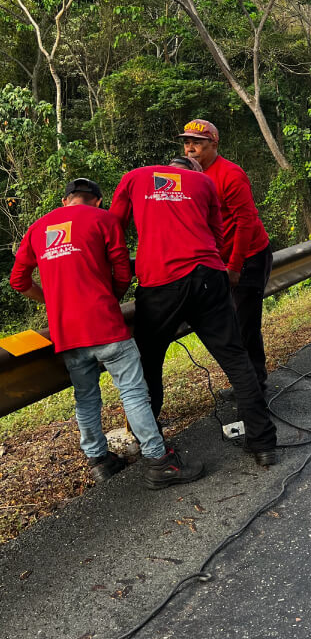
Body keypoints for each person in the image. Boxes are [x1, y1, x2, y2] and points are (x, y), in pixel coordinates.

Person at [9, 178, 205, 489]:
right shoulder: (104, 220)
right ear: (98, 201)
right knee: (133, 392)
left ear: (66, 200)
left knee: (85, 398)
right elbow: (123, 272)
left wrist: (52, 299)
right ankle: (159, 461)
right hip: (105, 325)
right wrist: (109, 298)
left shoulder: (37, 229)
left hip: (66, 332)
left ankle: (99, 461)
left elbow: (18, 281)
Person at [109, 158, 278, 466]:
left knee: (148, 363)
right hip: (208, 278)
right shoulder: (205, 183)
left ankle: (152, 445)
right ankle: (263, 443)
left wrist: (120, 276)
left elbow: (112, 228)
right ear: (193, 172)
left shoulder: (135, 177)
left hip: (160, 283)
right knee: (236, 359)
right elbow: (217, 235)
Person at [179, 119, 272, 394]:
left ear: (213, 143)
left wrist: (235, 266)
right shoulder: (187, 177)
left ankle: (255, 384)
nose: (191, 148)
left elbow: (247, 222)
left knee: (244, 323)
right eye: (187, 142)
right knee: (230, 323)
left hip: (248, 257)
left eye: (198, 142)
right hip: (217, 260)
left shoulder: (230, 175)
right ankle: (247, 381)